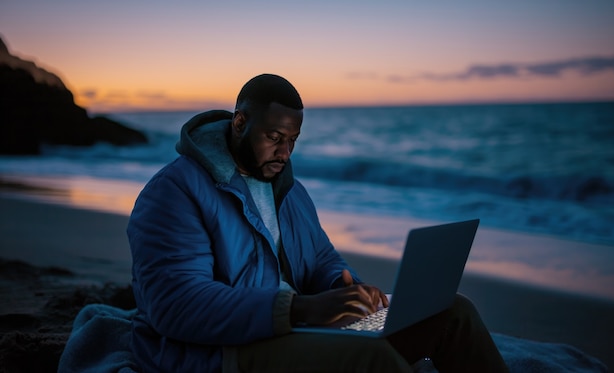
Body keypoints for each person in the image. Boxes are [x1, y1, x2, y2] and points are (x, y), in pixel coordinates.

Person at [127, 73, 509, 372]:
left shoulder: (290, 191)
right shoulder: (174, 192)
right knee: (371, 359)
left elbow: (321, 257)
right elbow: (177, 305)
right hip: (222, 351)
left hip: (296, 326)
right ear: (240, 122)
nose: (285, 152)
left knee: (452, 312)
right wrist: (299, 310)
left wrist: (345, 288)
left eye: (293, 139)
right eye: (274, 137)